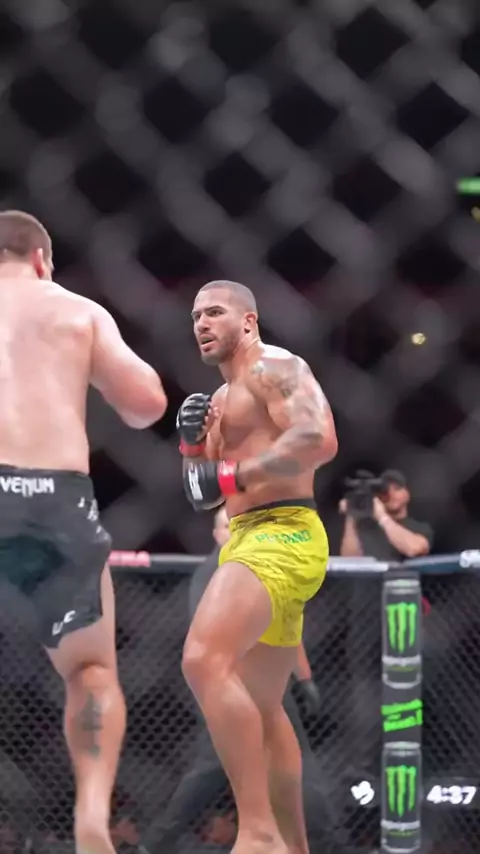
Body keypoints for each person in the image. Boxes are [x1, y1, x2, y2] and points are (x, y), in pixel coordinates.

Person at [0, 210, 167, 854]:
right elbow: (146, 404)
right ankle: (92, 819)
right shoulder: (77, 310)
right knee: (91, 670)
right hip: (55, 500)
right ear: (42, 259)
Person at [177, 281, 338, 854]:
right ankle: (293, 846)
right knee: (263, 708)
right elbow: (203, 496)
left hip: (285, 531)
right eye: (196, 315)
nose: (201, 323)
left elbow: (318, 438)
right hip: (246, 537)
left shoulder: (276, 366)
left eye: (215, 312)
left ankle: (258, 830)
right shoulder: (219, 401)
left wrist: (232, 473)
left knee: (202, 659)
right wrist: (192, 447)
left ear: (248, 321)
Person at [141, 506, 342, 854]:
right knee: (213, 769)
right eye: (226, 526)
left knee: (282, 760)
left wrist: (304, 676)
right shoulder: (216, 572)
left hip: (263, 676)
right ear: (217, 533)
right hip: (230, 682)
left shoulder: (264, 562)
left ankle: (311, 841)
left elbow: (286, 621)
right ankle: (159, 843)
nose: (232, 531)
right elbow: (210, 647)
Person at [339, 469, 433, 560]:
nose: (391, 494)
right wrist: (351, 515)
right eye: (384, 491)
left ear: (407, 493)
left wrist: (382, 516)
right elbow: (350, 560)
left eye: (396, 489)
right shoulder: (367, 528)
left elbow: (414, 549)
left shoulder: (420, 527)